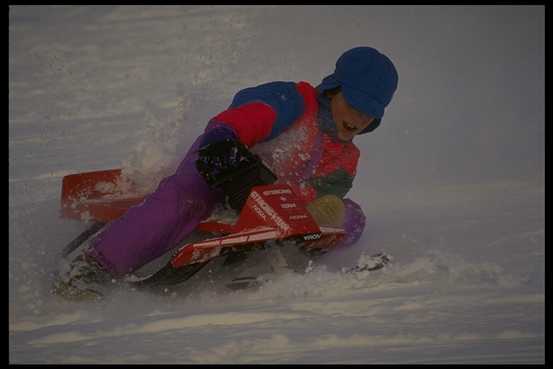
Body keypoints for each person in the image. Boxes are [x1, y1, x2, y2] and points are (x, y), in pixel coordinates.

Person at [53, 46, 399, 300]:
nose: (359, 119)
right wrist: (231, 160)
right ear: (333, 89)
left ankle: (260, 261)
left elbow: (325, 191)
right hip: (219, 169)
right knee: (182, 200)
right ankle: (93, 267)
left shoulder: (344, 154)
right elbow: (226, 128)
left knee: (351, 217)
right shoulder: (293, 101)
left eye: (370, 115)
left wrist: (321, 219)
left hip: (271, 204)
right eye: (354, 106)